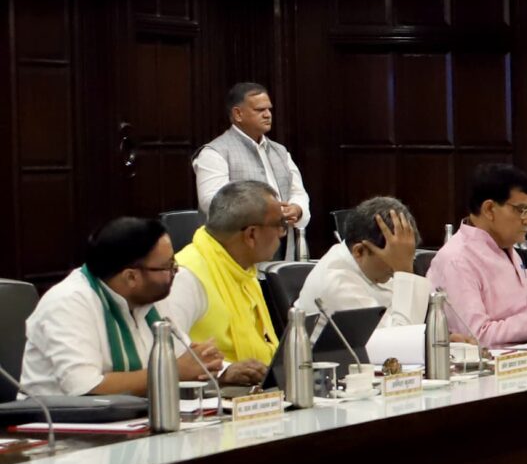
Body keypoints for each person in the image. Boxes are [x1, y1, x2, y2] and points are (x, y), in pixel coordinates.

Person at [20, 217, 227, 396]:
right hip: (56, 423)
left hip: (134, 418)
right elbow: (86, 388)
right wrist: (172, 371)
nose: (175, 272)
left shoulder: (151, 297)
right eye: (167, 267)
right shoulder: (68, 303)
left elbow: (184, 359)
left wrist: (209, 364)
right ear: (131, 277)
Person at [159, 180, 285, 376]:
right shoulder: (184, 275)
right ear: (251, 235)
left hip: (258, 386)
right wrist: (223, 371)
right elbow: (166, 352)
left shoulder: (243, 268)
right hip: (213, 391)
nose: (282, 233)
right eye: (280, 225)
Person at [426, 164, 527, 348]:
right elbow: (477, 336)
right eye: (522, 210)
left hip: (524, 356)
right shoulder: (457, 260)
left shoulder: (510, 249)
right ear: (489, 209)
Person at [192, 82, 310, 260]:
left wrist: (297, 208)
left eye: (269, 109)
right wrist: (266, 211)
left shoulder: (280, 151)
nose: (268, 114)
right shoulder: (214, 152)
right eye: (260, 110)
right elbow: (213, 202)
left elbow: (298, 192)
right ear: (238, 114)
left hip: (280, 246)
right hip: (234, 253)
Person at [293, 196, 428, 334]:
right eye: (394, 258)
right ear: (359, 251)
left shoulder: (365, 266)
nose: (395, 270)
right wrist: (404, 270)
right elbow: (401, 339)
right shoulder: (337, 283)